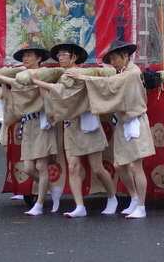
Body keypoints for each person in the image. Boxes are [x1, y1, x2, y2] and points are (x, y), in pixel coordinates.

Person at [67, 40, 155, 219]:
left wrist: (84, 77)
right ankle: (134, 197)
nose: (112, 62)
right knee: (119, 165)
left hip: (135, 121)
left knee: (135, 166)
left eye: (114, 58)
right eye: (111, 59)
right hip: (123, 121)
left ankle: (141, 205)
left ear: (125, 56)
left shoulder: (131, 73)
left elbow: (110, 83)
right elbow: (111, 83)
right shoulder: (124, 72)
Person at [30, 42, 117, 218]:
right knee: (73, 167)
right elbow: (55, 98)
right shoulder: (62, 76)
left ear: (74, 57)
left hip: (88, 124)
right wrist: (40, 84)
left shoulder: (81, 74)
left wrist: (38, 81)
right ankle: (79, 206)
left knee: (97, 168)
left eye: (64, 55)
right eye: (59, 55)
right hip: (71, 125)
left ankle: (112, 197)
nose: (60, 58)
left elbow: (64, 93)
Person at [0, 42, 62, 216]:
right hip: (28, 125)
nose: (25, 58)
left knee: (41, 166)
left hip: (42, 123)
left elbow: (39, 91)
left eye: (29, 55)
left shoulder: (42, 75)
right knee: (29, 168)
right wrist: (2, 84)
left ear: (39, 58)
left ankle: (39, 204)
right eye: (24, 56)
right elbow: (11, 99)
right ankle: (53, 189)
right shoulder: (21, 76)